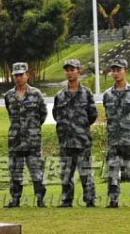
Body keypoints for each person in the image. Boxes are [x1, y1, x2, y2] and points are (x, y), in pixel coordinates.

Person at [52, 59, 98, 207]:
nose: (69, 73)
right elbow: (55, 114)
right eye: (67, 70)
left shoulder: (86, 93)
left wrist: (81, 127)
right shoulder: (59, 95)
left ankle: (89, 199)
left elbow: (92, 114)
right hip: (65, 140)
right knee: (66, 173)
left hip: (82, 139)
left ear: (79, 71)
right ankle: (66, 200)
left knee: (85, 172)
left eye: (72, 70)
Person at [102, 58, 130, 209]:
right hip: (113, 139)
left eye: (118, 70)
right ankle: (113, 200)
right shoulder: (107, 94)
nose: (115, 73)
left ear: (125, 71)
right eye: (113, 70)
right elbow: (107, 114)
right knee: (113, 170)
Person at [3, 62, 47, 208]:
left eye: (21, 74)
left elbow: (43, 114)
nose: (18, 78)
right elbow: (10, 113)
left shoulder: (36, 94)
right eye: (16, 75)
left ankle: (40, 199)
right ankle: (15, 199)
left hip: (32, 140)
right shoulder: (9, 95)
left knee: (36, 171)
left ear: (27, 75)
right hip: (15, 140)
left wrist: (33, 128)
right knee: (15, 171)